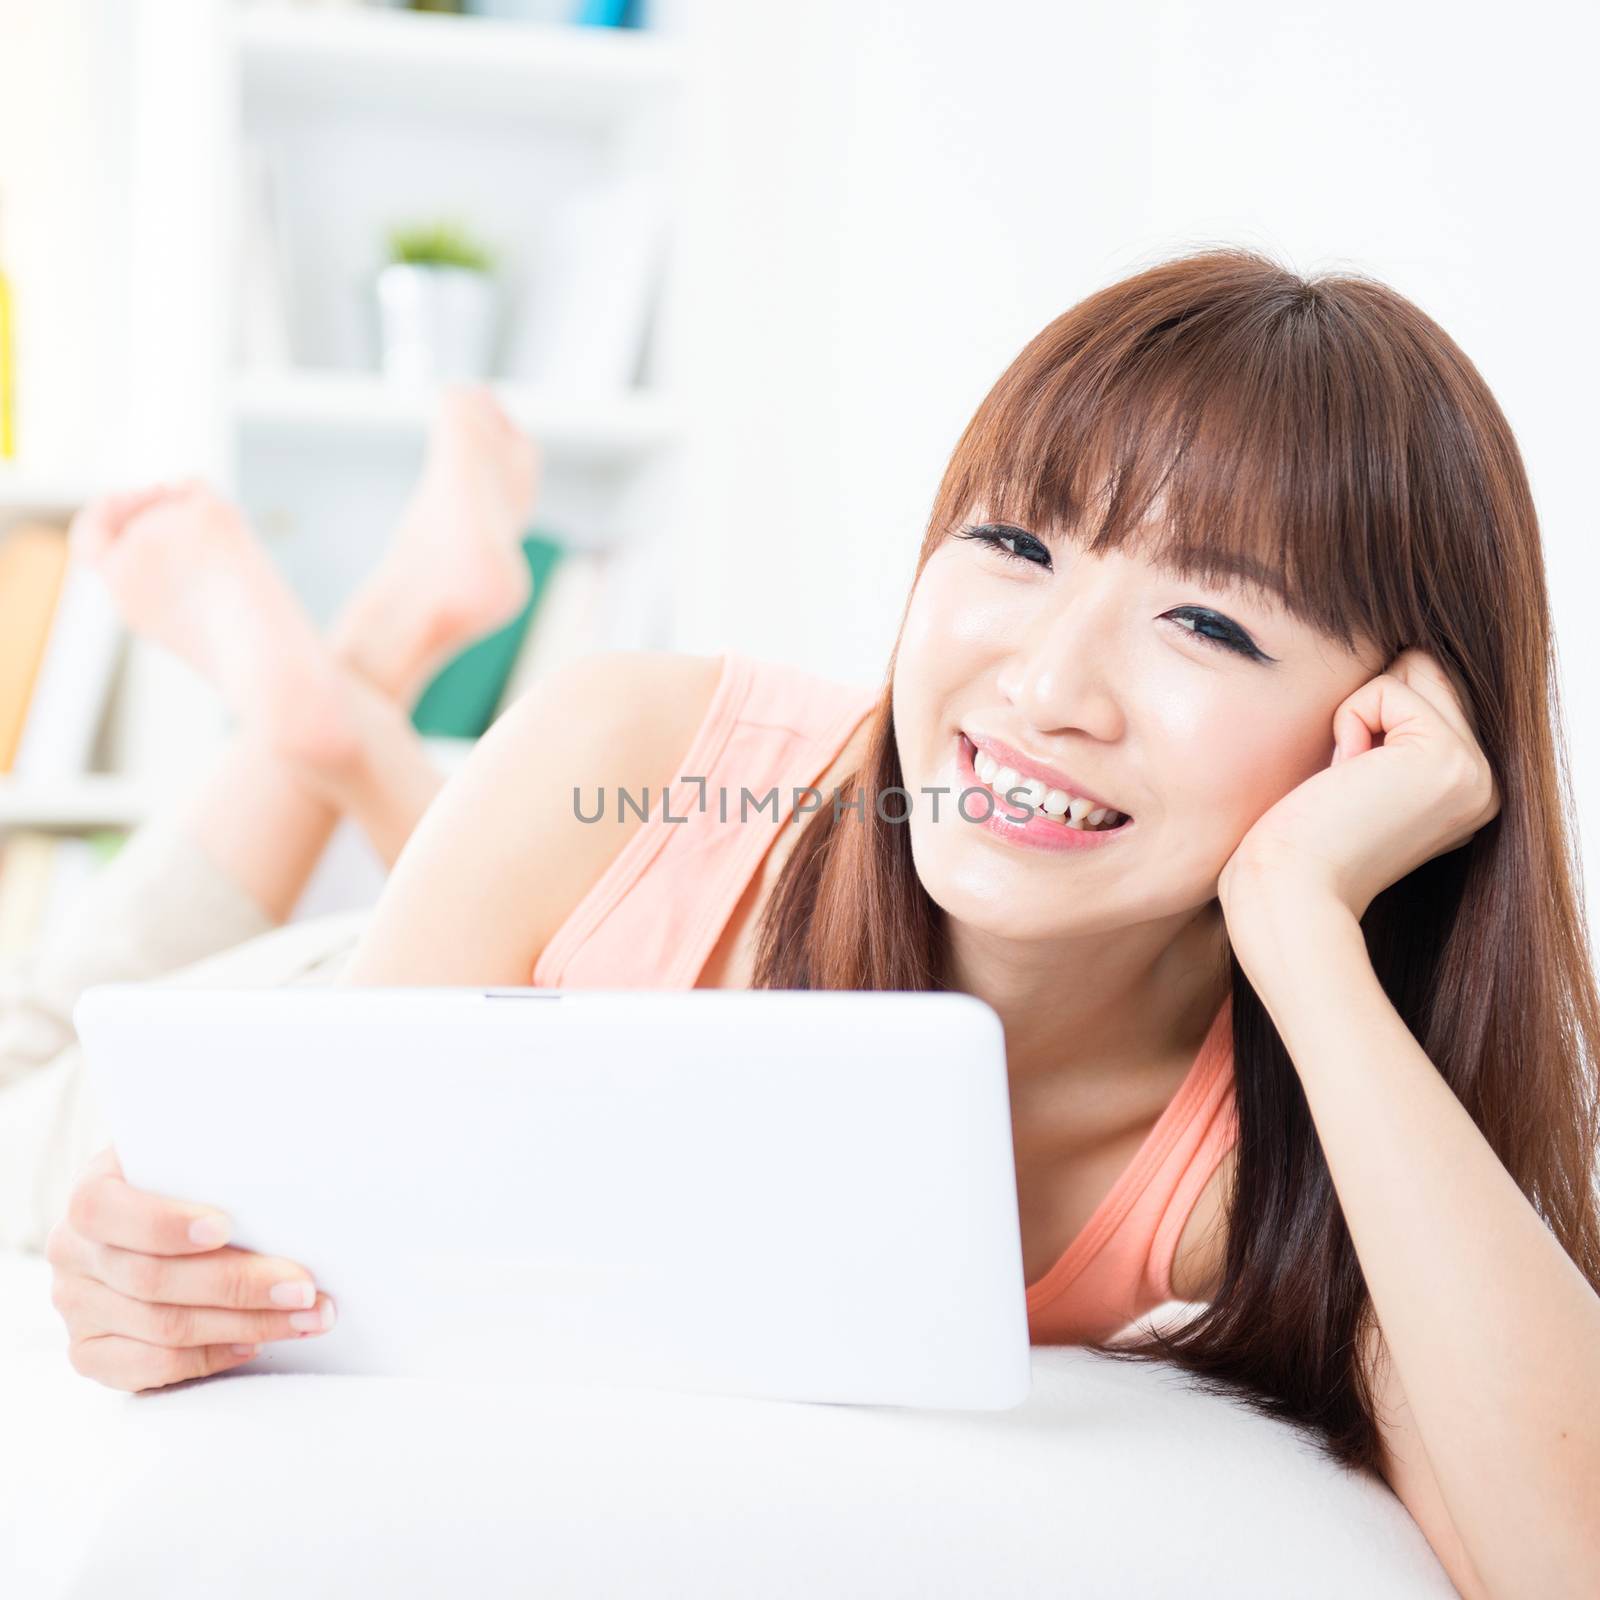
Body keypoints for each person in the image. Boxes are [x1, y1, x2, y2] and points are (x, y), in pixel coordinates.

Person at [38, 249, 1600, 1598]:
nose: (1048, 687)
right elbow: (296, 1251)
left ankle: (341, 715)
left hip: (554, 943)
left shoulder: (1283, 1138)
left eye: (1210, 621)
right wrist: (141, 1284)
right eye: (1016, 545)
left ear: (1380, 735)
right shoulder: (635, 749)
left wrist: (1306, 928)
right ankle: (342, 694)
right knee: (47, 1023)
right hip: (237, 1027)